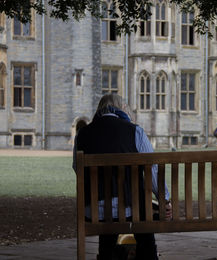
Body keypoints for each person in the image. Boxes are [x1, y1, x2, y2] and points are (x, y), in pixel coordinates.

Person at [73, 94, 171, 260]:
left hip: (94, 210)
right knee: (142, 215)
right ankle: (149, 255)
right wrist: (165, 200)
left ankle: (106, 255)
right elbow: (152, 169)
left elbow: (78, 169)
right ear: (122, 109)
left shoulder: (82, 134)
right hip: (130, 208)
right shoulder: (135, 131)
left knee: (108, 214)